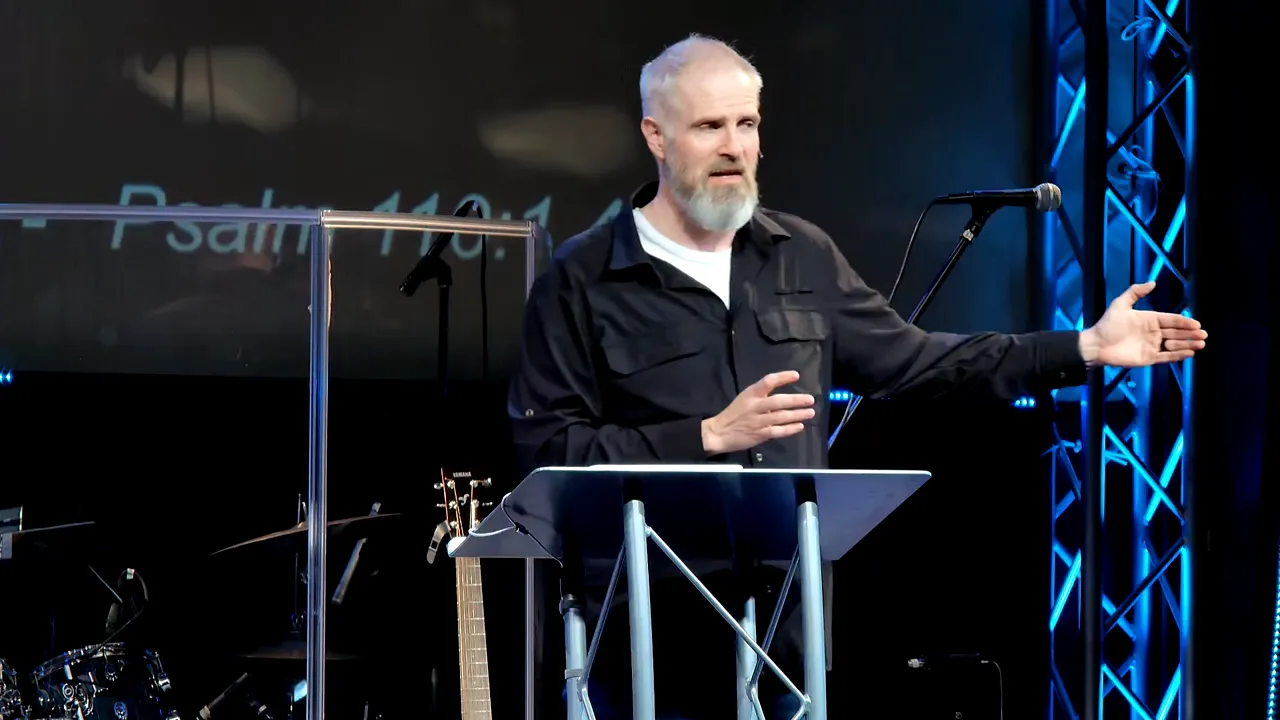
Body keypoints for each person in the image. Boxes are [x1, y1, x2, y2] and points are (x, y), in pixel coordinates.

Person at [507, 34, 1206, 719]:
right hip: (638, 639)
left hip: (784, 634)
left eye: (747, 123)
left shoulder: (801, 255)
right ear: (656, 137)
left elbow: (922, 365)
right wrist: (707, 436)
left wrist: (1082, 347)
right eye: (710, 126)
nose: (734, 147)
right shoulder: (582, 277)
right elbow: (550, 454)